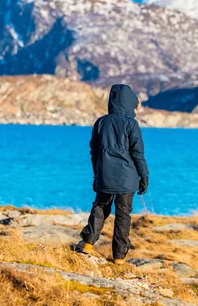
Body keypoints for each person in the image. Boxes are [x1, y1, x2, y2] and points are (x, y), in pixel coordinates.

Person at [76, 84, 149, 264]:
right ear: (130, 102)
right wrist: (144, 176)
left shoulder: (101, 122)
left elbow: (94, 152)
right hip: (128, 178)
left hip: (105, 175)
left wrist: (97, 174)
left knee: (100, 207)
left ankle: (87, 244)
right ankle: (119, 257)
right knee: (123, 215)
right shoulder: (132, 124)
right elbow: (137, 154)